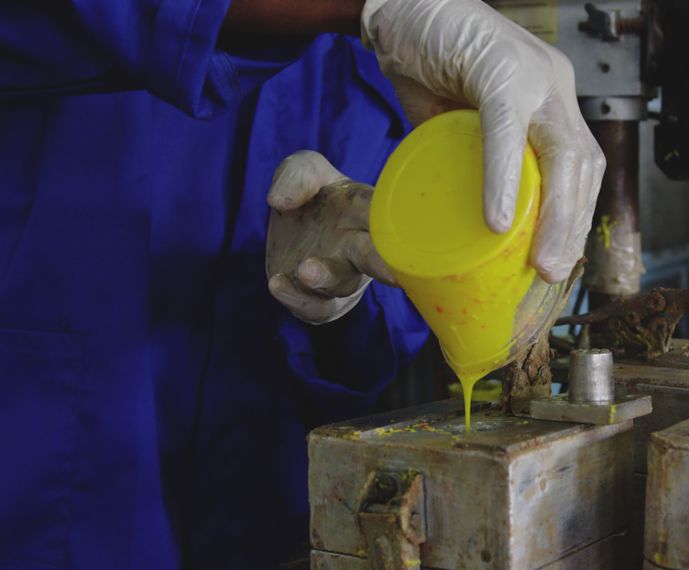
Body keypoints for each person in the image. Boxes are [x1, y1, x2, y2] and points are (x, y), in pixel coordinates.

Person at [0, 0, 604, 567]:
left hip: (268, 499)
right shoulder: (384, 22)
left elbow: (393, 325)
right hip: (57, 465)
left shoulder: (383, 58)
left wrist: (342, 298)